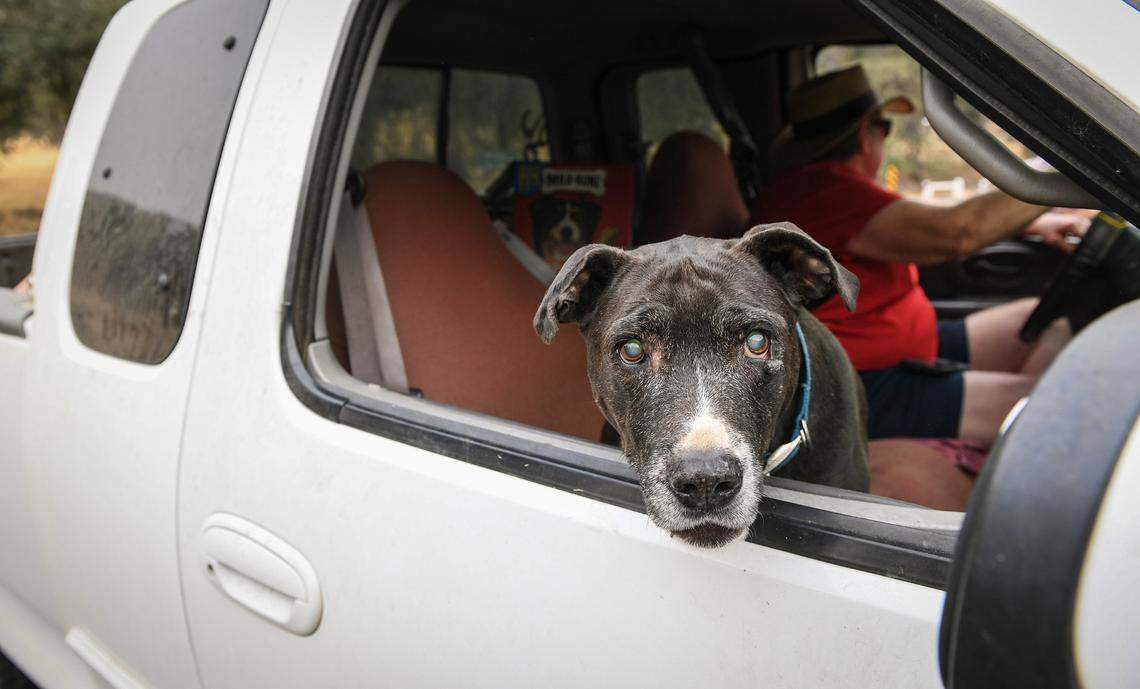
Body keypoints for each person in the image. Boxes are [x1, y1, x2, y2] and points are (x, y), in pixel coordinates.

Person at [752, 65, 1089, 449]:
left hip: (902, 349)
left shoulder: (816, 191)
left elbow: (913, 226)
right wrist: (1067, 168)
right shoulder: (827, 191)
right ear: (867, 135)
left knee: (1047, 319)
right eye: (885, 128)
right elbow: (956, 232)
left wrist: (1032, 223)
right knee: (1042, 405)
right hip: (869, 383)